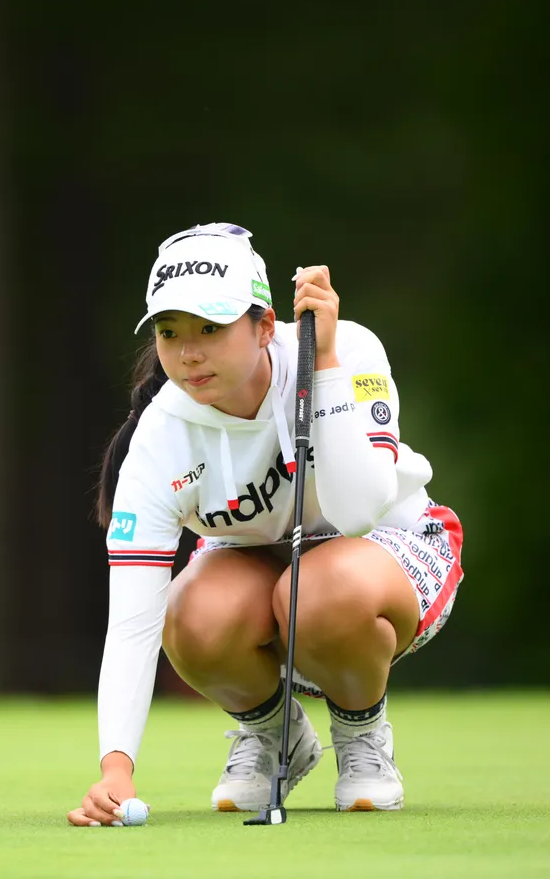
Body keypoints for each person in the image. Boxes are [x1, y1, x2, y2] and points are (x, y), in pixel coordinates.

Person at [67, 222, 464, 827]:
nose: (188, 353)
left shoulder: (349, 350)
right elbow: (132, 622)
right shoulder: (158, 437)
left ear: (263, 326)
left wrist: (323, 366)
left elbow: (358, 511)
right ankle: (277, 735)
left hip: (392, 549)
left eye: (210, 328)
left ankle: (362, 734)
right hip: (264, 568)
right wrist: (115, 769)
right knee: (189, 615)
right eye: (170, 332)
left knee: (319, 591)